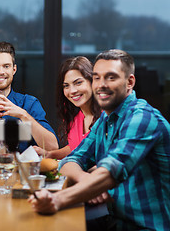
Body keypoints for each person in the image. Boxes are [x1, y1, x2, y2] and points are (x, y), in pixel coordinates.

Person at [28, 49, 170, 230]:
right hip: (114, 219)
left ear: (130, 82)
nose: (101, 85)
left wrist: (57, 199)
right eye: (97, 77)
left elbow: (110, 172)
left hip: (146, 226)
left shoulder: (142, 117)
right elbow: (73, 159)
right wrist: (85, 181)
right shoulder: (105, 119)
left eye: (111, 77)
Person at [34, 56, 101, 159]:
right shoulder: (75, 117)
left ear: (92, 81)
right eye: (66, 86)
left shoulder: (107, 116)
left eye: (78, 83)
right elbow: (75, 147)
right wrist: (50, 154)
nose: (72, 91)